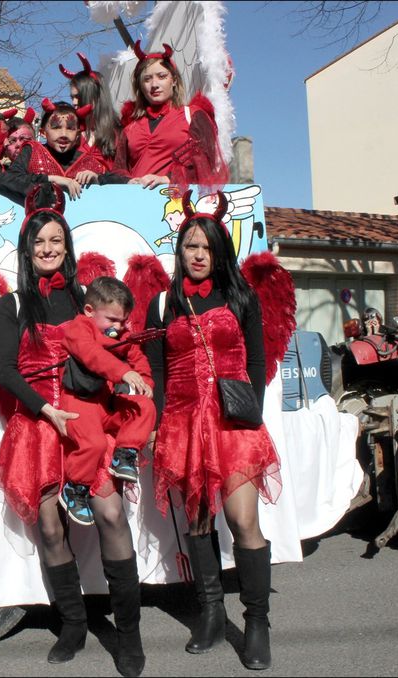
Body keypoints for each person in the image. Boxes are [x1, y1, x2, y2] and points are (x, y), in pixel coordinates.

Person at [0, 202, 145, 677]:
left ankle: (130, 634)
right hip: (38, 426)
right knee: (52, 528)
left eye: (56, 240)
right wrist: (43, 409)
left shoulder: (87, 299)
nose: (48, 249)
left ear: (67, 246)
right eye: (39, 242)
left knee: (111, 514)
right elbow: (6, 369)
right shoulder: (12, 304)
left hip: (87, 423)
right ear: (27, 249)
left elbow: (117, 347)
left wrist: (131, 378)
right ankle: (73, 625)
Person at [144, 195, 280, 671]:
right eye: (189, 247)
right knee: (199, 524)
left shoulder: (241, 297)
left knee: (244, 521)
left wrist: (252, 414)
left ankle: (257, 622)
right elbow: (157, 370)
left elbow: (259, 361)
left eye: (205, 247)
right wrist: (159, 424)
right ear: (179, 253)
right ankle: (212, 614)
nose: (197, 255)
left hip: (231, 423)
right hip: (182, 422)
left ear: (220, 252)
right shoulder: (162, 303)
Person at [58, 276, 156, 526]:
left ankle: (125, 454)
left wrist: (145, 384)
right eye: (112, 320)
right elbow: (92, 355)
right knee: (94, 444)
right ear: (89, 311)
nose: (119, 326)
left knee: (144, 406)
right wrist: (123, 372)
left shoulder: (123, 335)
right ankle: (75, 489)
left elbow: (139, 362)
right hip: (81, 402)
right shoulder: (77, 329)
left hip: (108, 404)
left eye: (123, 320)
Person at [112, 42, 226, 191]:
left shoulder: (192, 116)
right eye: (147, 79)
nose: (154, 84)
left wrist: (168, 179)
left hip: (178, 203)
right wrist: (128, 181)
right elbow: (118, 169)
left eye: (161, 76)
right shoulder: (130, 128)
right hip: (136, 205)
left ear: (174, 80)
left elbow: (206, 163)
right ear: (140, 86)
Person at [0, 99, 115, 206]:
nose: (63, 134)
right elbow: (5, 179)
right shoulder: (31, 151)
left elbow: (120, 183)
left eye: (70, 128)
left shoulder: (89, 162)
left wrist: (97, 178)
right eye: (56, 127)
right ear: (43, 132)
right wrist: (53, 179)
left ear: (78, 134)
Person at [62, 53, 122, 170]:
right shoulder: (69, 132)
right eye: (72, 97)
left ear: (95, 96)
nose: (74, 102)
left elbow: (125, 173)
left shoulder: (119, 133)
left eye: (79, 96)